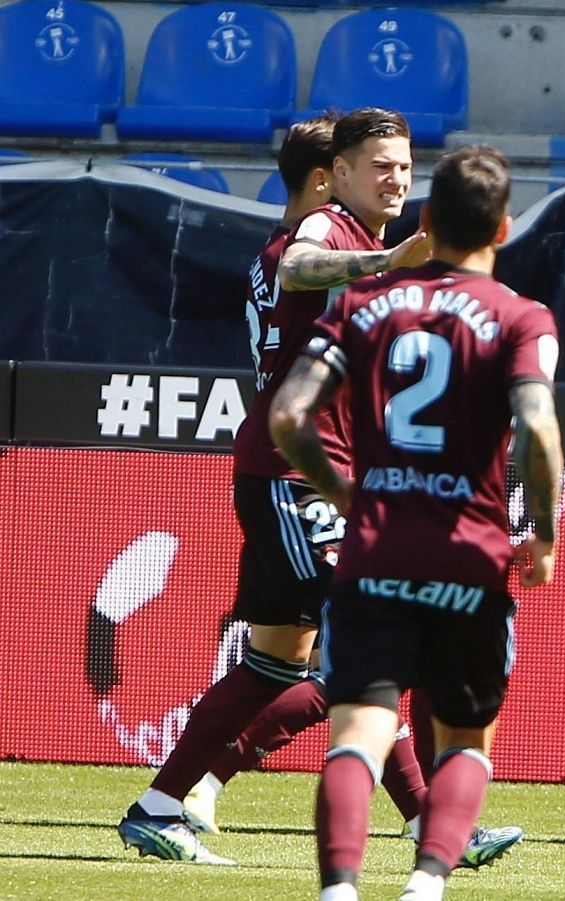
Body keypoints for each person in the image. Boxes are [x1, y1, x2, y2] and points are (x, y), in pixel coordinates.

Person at [116, 108, 440, 866]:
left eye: (405, 165)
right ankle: (428, 818)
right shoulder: (329, 230)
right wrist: (388, 266)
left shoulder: (354, 235)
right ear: (336, 176)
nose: (398, 178)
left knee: (274, 663)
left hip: (305, 471)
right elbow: (300, 265)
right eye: (382, 165)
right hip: (295, 475)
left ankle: (165, 801)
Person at [269, 143, 563, 901]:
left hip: (375, 551)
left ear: (427, 220)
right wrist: (547, 535)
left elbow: (290, 415)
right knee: (464, 737)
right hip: (469, 554)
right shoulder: (523, 318)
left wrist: (344, 491)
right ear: (503, 230)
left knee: (358, 732)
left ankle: (339, 889)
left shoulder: (360, 305)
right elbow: (539, 430)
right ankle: (427, 883)